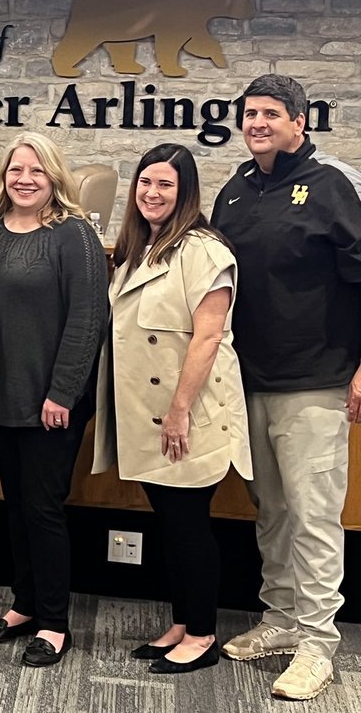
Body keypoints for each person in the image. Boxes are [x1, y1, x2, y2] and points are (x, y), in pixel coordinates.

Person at [210, 74, 361, 700]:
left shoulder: (331, 187)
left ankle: (319, 643)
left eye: (271, 113)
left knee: (313, 514)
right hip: (248, 378)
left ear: (301, 122)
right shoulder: (236, 191)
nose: (257, 123)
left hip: (316, 381)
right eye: (249, 114)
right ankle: (280, 620)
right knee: (270, 509)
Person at [93, 143, 249, 674]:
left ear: (185, 193)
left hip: (189, 416)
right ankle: (182, 622)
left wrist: (180, 411)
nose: (152, 194)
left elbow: (207, 340)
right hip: (148, 413)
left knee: (189, 525)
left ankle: (202, 632)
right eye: (144, 183)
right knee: (171, 523)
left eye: (165, 185)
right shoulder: (143, 245)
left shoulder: (204, 249)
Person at [0, 133, 107, 667]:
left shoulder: (74, 235)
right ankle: (24, 604)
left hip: (53, 402)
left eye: (37, 172)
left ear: (54, 179)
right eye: (16, 170)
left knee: (43, 510)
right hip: (1, 394)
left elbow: (88, 320)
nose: (25, 179)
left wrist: (63, 391)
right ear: (4, 176)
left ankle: (53, 623)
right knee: (17, 506)